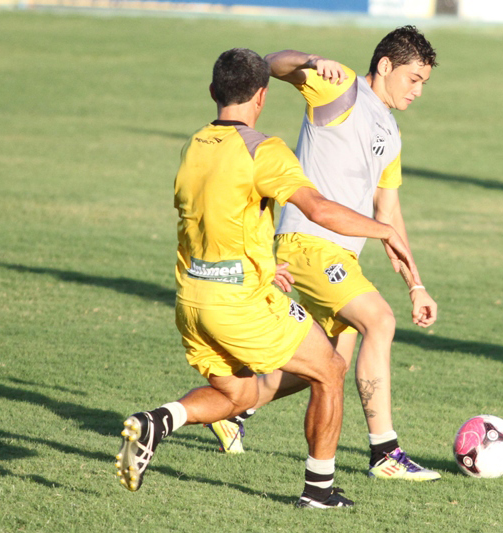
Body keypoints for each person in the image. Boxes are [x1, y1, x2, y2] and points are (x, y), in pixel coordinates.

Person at [115, 48, 419, 509]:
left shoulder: (193, 145)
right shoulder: (263, 149)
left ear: (213, 92)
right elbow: (317, 208)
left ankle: (158, 421)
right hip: (240, 302)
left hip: (192, 300)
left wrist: (263, 261)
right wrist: (383, 230)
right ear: (261, 96)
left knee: (237, 395)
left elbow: (214, 216)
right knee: (330, 369)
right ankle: (319, 491)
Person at [208, 26, 441, 481]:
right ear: (386, 66)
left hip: (342, 256)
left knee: (326, 364)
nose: (418, 91)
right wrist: (311, 61)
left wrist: (416, 283)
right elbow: (269, 64)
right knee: (380, 321)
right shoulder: (342, 87)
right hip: (309, 244)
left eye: (424, 84)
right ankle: (385, 453)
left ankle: (231, 408)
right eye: (414, 79)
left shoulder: (390, 133)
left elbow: (388, 211)